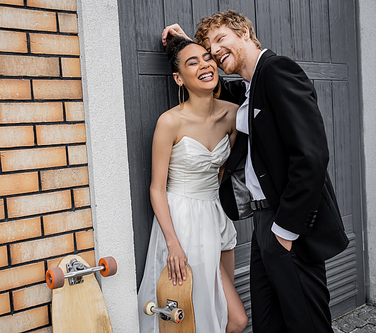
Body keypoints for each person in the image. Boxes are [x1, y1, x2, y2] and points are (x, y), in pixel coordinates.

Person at [162, 9, 349, 333]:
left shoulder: (278, 72)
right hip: (264, 224)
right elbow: (206, 79)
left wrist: (286, 231)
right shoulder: (248, 88)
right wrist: (185, 44)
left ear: (245, 33)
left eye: (221, 40)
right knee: (268, 321)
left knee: (307, 323)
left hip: (289, 225)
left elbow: (312, 156)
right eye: (210, 47)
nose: (215, 52)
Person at [137, 36, 248, 333]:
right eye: (192, 63)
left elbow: (226, 171)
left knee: (224, 316)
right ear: (178, 78)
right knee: (203, 315)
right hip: (183, 221)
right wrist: (173, 243)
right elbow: (156, 188)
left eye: (207, 58)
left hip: (218, 215)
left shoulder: (232, 115)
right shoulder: (170, 122)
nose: (204, 65)